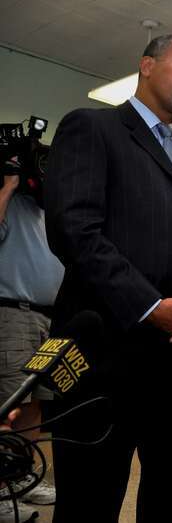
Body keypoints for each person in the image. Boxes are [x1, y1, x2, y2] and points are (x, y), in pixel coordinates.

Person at [45, 34, 172, 521]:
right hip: (105, 357)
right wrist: (151, 307)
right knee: (89, 501)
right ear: (147, 66)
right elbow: (75, 231)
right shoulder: (93, 128)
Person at [0, 162, 62, 518]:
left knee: (36, 404)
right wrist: (8, 186)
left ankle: (21, 479)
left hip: (48, 318)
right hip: (13, 312)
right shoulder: (10, 201)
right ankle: (1, 492)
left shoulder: (46, 212)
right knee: (9, 404)